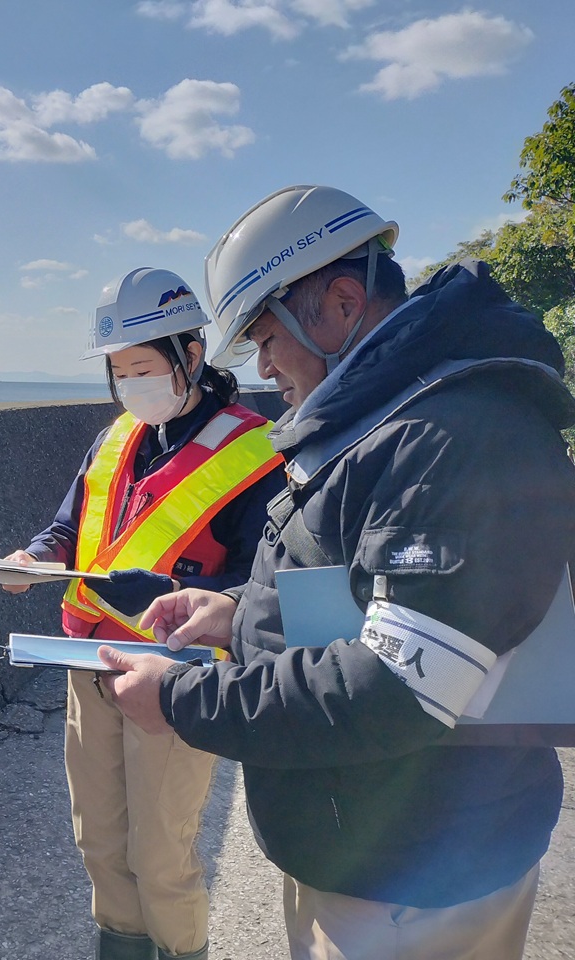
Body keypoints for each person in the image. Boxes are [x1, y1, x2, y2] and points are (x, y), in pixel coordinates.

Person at [98, 184, 575, 960]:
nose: (263, 364)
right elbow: (361, 592)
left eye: (263, 336)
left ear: (341, 303)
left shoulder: (452, 438)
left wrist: (182, 698)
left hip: (416, 876)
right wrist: (240, 612)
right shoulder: (389, 420)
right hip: (365, 843)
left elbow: (396, 687)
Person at [1, 267, 285, 960]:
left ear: (191, 354)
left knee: (161, 852)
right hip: (87, 663)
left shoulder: (257, 451)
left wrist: (182, 591)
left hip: (176, 674)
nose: (131, 385)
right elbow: (69, 526)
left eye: (143, 367)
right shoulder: (115, 438)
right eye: (119, 372)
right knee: (98, 839)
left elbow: (262, 584)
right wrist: (34, 559)